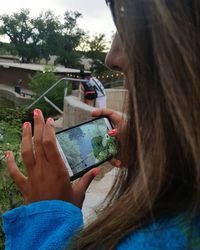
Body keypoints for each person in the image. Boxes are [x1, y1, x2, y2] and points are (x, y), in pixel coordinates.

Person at [2, 0, 200, 249]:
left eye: (127, 26)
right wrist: (153, 154)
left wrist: (47, 218)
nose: (111, 57)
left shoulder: (158, 238)